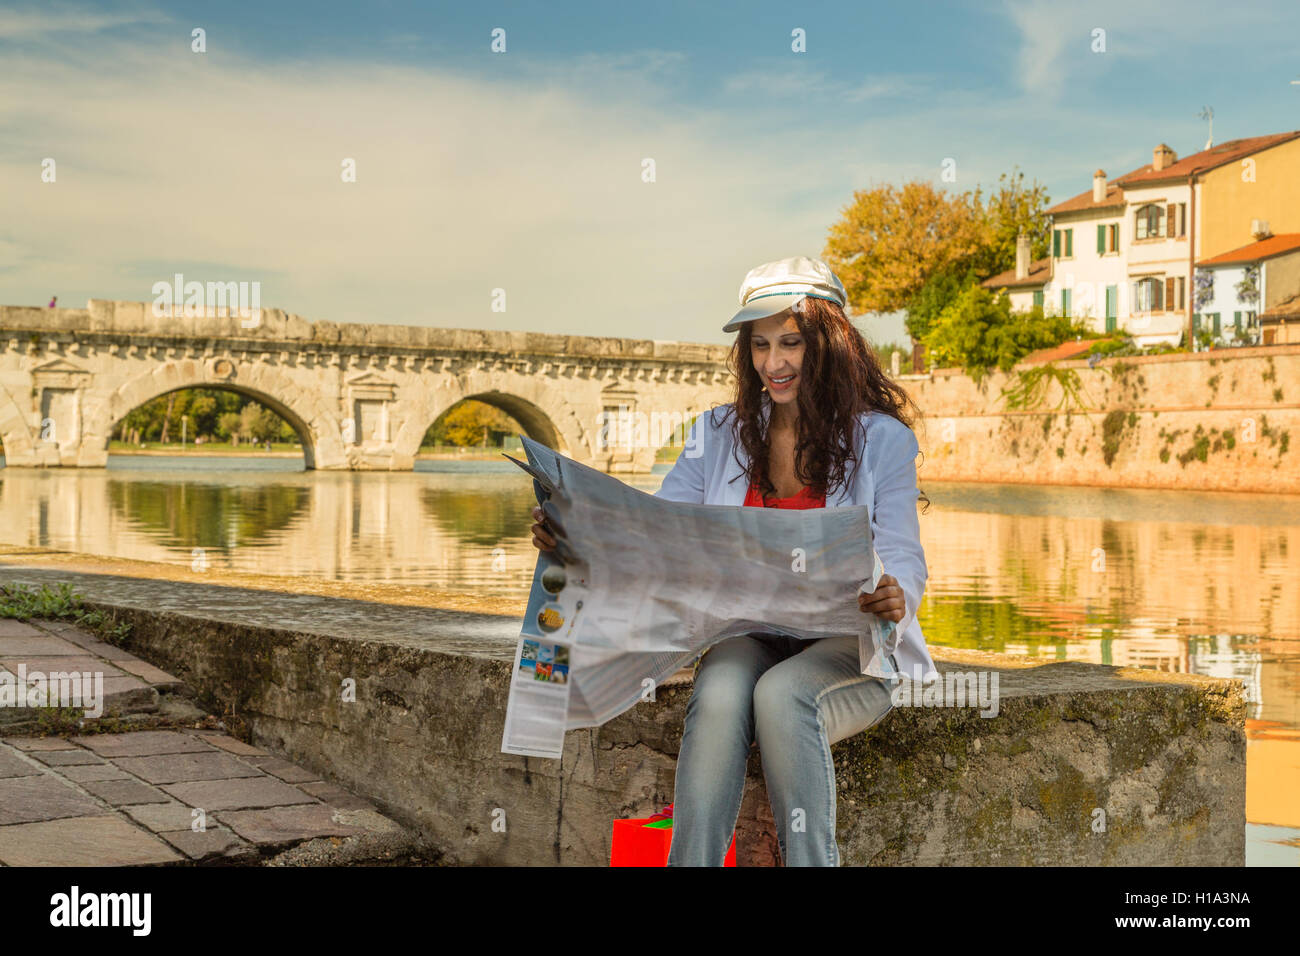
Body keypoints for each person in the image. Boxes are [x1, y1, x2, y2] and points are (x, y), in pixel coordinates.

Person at [530, 256, 937, 866]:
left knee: (782, 695)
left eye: (792, 343)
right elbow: (659, 533)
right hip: (747, 633)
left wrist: (895, 591)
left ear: (830, 345)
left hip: (846, 644)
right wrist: (576, 533)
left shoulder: (881, 439)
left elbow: (903, 551)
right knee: (719, 692)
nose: (774, 363)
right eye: (760, 345)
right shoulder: (714, 432)